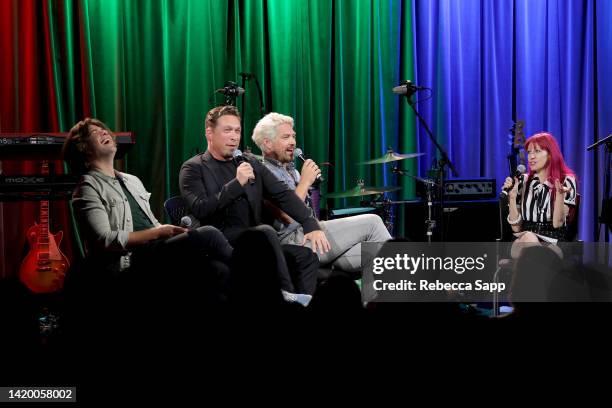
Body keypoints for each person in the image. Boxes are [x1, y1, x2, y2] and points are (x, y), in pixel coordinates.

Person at [62, 118, 233, 304]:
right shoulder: (87, 186)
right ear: (83, 149)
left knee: (216, 269)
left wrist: (167, 230)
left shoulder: (131, 180)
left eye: (103, 130)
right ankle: (251, 281)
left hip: (153, 250)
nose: (103, 132)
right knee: (208, 234)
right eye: (94, 133)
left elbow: (150, 223)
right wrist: (158, 232)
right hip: (126, 261)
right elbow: (106, 239)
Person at [179, 106, 325, 299]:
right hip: (221, 242)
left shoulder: (248, 162)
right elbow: (201, 209)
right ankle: (285, 298)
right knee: (265, 231)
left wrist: (309, 223)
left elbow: (283, 194)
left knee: (305, 256)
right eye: (227, 130)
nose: (234, 137)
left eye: (237, 131)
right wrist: (236, 184)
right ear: (209, 133)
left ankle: (305, 308)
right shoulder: (193, 168)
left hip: (257, 242)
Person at [251, 112, 392, 274]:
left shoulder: (293, 171)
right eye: (285, 137)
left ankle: (386, 294)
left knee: (375, 251)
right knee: (373, 223)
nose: (293, 143)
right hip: (293, 241)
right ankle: (405, 295)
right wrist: (305, 182)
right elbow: (287, 218)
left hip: (311, 236)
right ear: (267, 144)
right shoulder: (263, 174)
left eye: (293, 136)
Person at [502, 132, 577, 257]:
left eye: (537, 151)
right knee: (529, 238)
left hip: (554, 239)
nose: (531, 157)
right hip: (524, 237)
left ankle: (527, 270)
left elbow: (557, 224)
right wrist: (512, 197)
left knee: (539, 258)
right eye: (529, 152)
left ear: (550, 154)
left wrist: (559, 196)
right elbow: (515, 228)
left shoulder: (567, 180)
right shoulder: (523, 181)